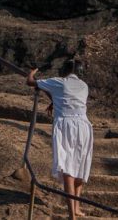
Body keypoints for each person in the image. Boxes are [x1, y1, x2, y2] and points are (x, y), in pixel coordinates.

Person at [27, 59, 93, 220]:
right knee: (80, 166)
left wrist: (33, 71)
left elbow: (30, 82)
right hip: (84, 126)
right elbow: (66, 97)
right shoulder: (84, 86)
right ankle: (76, 208)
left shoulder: (58, 82)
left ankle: (72, 215)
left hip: (66, 124)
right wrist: (53, 101)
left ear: (65, 70)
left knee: (68, 170)